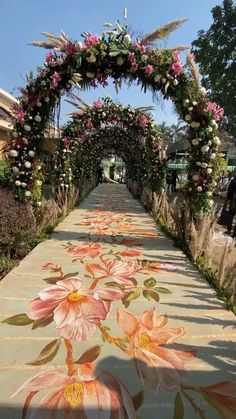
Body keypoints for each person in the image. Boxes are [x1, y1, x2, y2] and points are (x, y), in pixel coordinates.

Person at [224, 172, 236, 237]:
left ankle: (229, 230)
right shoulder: (233, 179)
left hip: (233, 200)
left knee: (230, 214)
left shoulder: (234, 180)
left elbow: (230, 189)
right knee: (230, 214)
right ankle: (232, 233)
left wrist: (228, 199)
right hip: (233, 200)